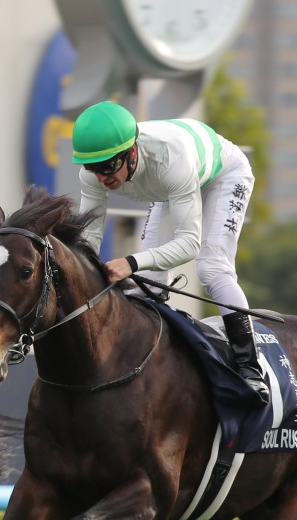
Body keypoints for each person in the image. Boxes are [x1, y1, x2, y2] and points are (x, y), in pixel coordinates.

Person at [71, 101, 268, 404]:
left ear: (132, 153)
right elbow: (88, 239)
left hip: (223, 175)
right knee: (150, 283)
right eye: (93, 168)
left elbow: (189, 243)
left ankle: (250, 369)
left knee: (212, 268)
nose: (101, 178)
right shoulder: (94, 175)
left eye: (108, 166)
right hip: (171, 186)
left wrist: (130, 263)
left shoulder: (170, 161)